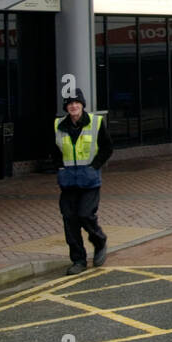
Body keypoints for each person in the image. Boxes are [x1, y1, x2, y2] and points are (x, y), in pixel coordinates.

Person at [51, 88, 113, 276]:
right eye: (70, 104)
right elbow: (54, 150)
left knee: (85, 215)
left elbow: (107, 148)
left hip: (89, 181)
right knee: (70, 220)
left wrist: (94, 166)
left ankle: (99, 241)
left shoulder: (95, 122)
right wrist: (60, 167)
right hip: (68, 182)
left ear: (82, 105)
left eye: (77, 103)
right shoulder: (58, 125)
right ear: (66, 108)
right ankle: (78, 260)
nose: (73, 106)